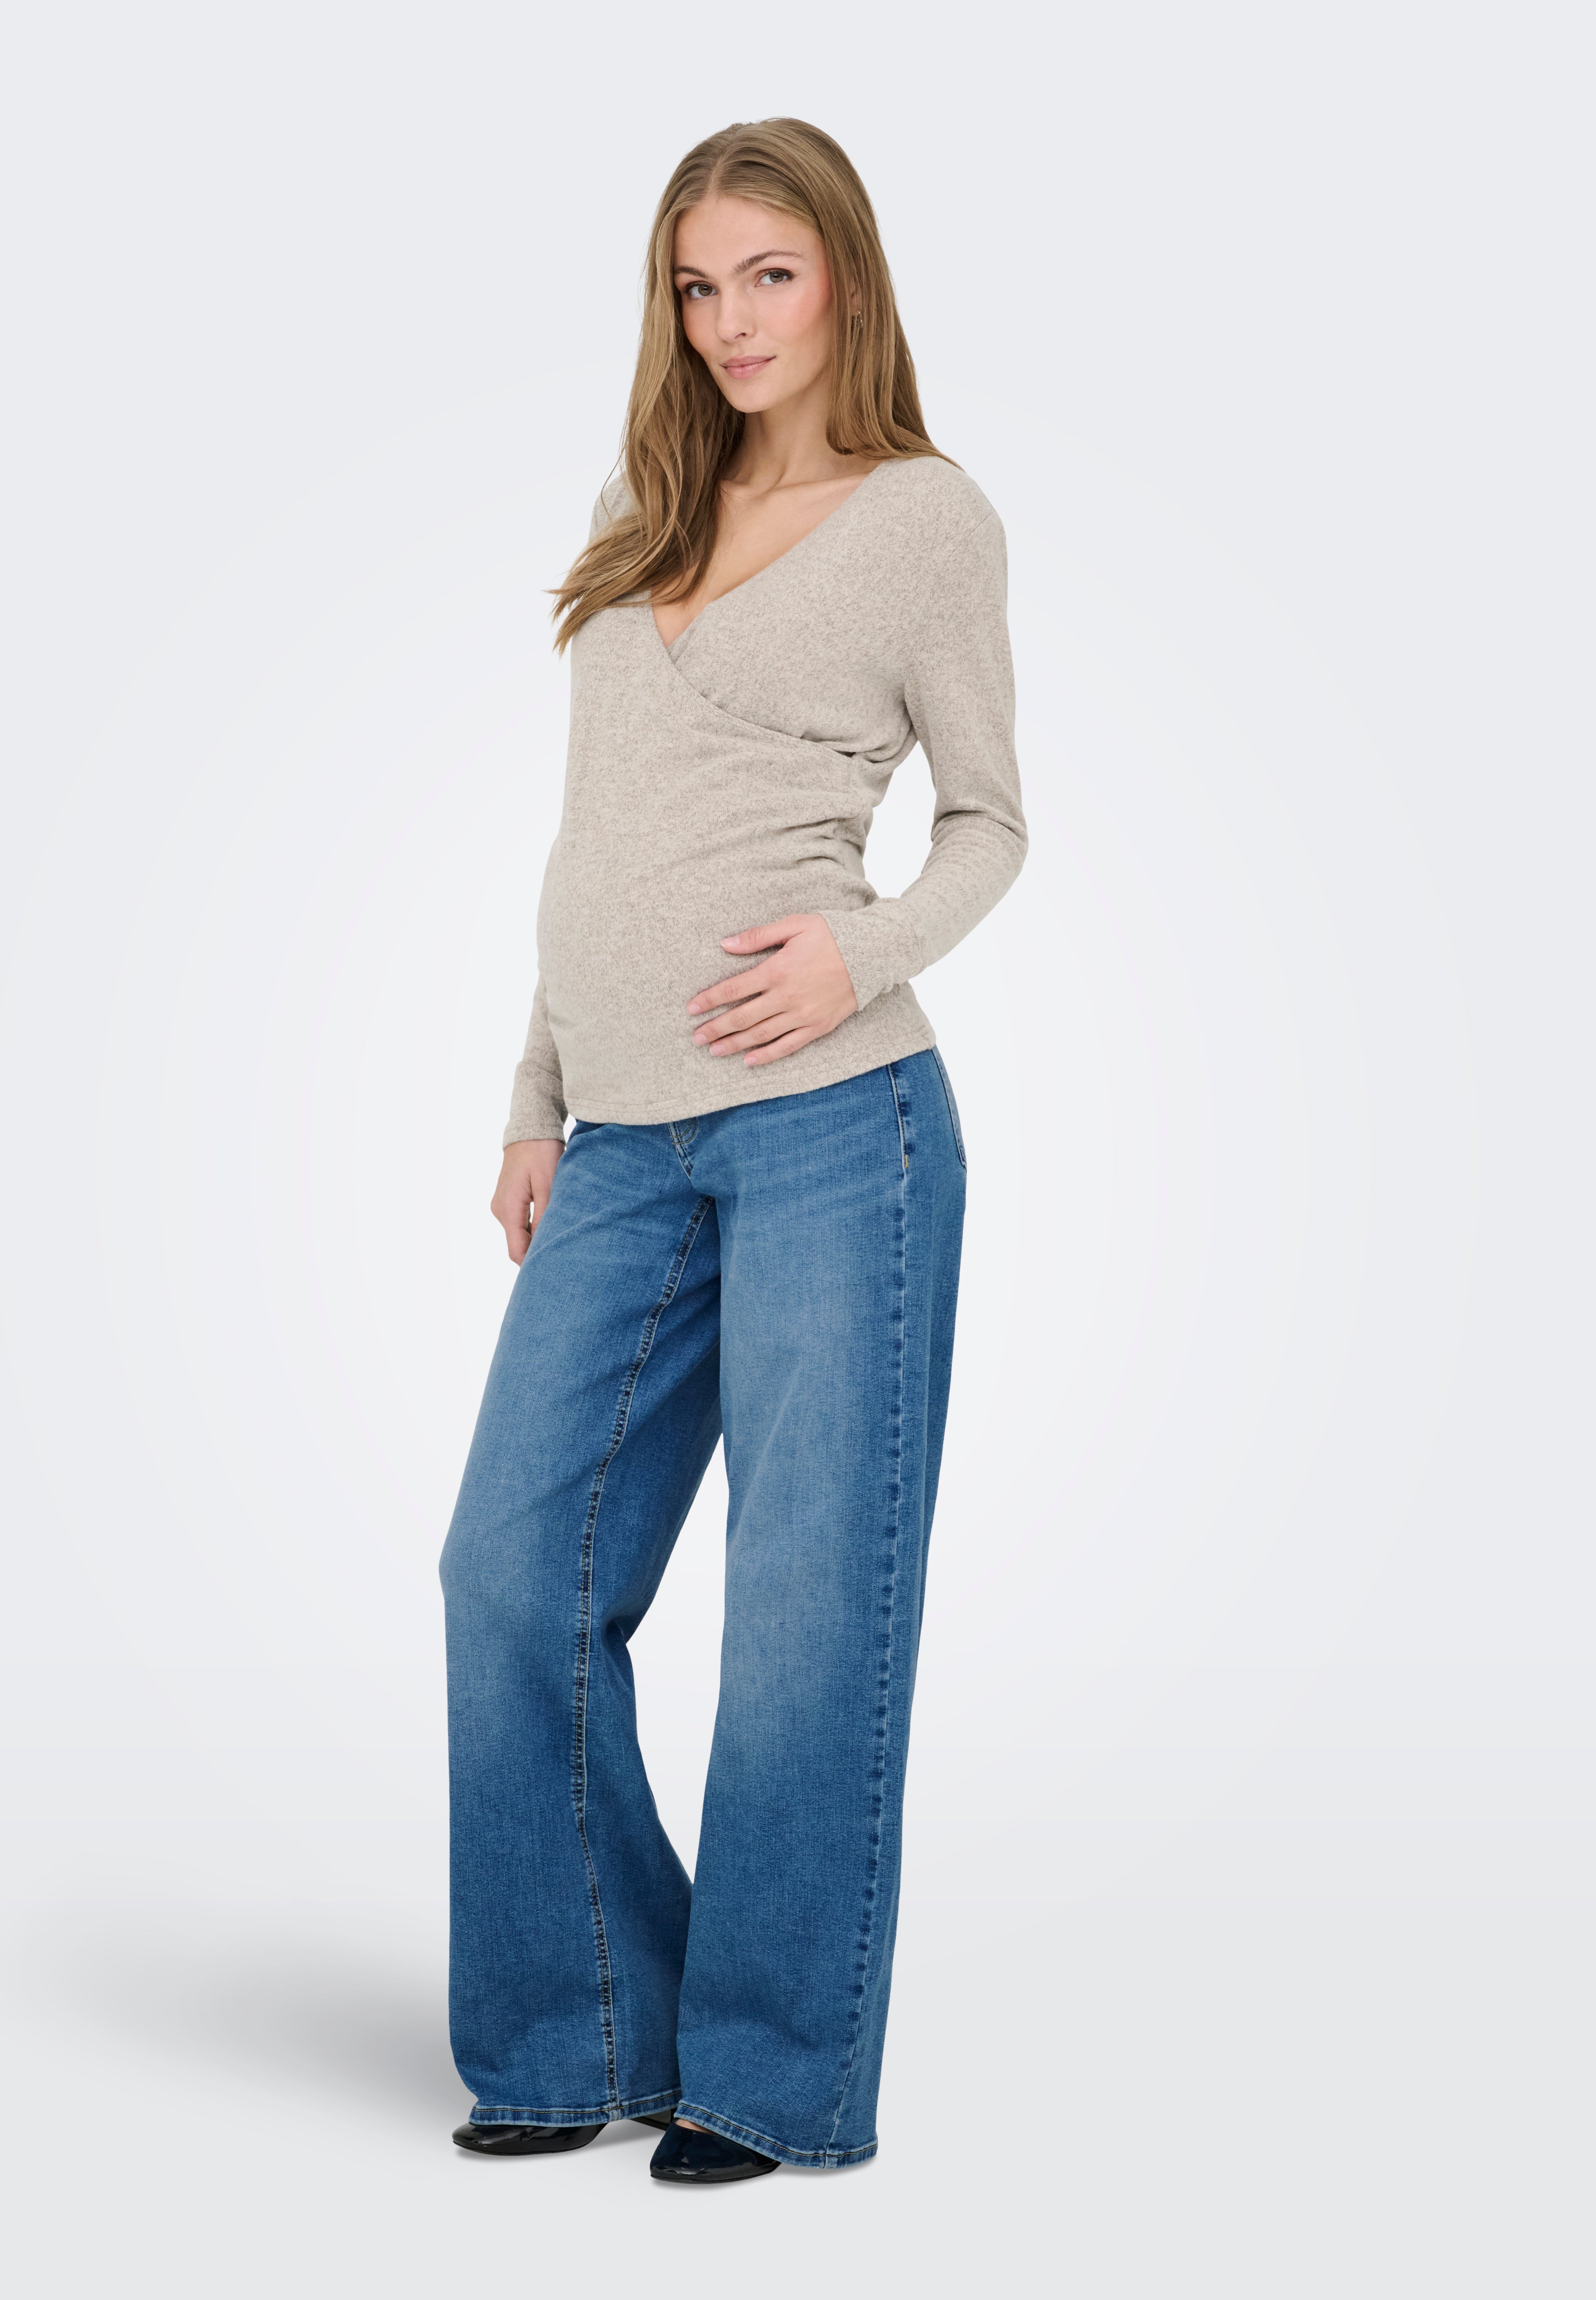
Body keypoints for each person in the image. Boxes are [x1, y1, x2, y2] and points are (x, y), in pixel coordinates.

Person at [441, 116, 1026, 2185]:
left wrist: (858, 951)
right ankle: (574, 2032)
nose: (731, 321)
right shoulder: (647, 502)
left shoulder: (926, 518)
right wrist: (537, 1094)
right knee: (512, 1576)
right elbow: (592, 832)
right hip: (618, 1142)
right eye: (698, 286)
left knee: (804, 1618)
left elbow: (992, 822)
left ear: (844, 277)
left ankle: (767, 2075)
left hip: (836, 1132)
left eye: (768, 275)